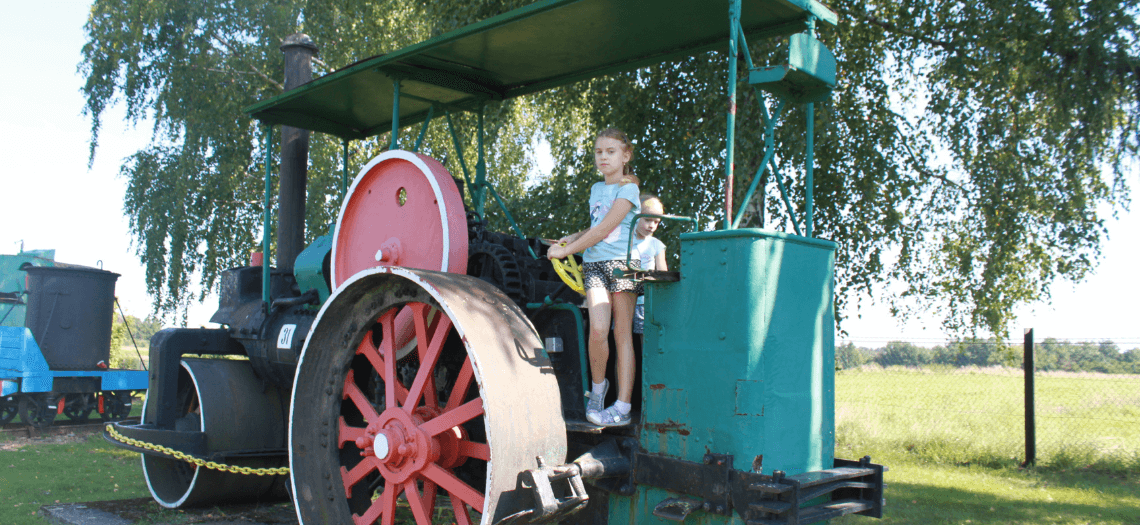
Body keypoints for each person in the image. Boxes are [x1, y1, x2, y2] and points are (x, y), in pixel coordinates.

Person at [547, 128, 641, 427]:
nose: (603, 157)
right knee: (598, 329)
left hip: (624, 264)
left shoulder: (629, 191)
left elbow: (605, 230)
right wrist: (569, 238)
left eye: (610, 151)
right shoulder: (595, 190)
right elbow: (595, 227)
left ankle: (623, 406)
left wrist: (568, 251)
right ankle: (599, 390)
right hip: (595, 264)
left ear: (625, 156)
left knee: (621, 333)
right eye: (599, 152)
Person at [631, 194, 668, 335]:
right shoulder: (624, 241)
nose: (652, 225)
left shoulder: (656, 245)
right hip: (624, 297)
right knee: (621, 336)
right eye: (647, 220)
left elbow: (663, 273)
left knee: (645, 336)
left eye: (656, 222)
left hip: (644, 300)